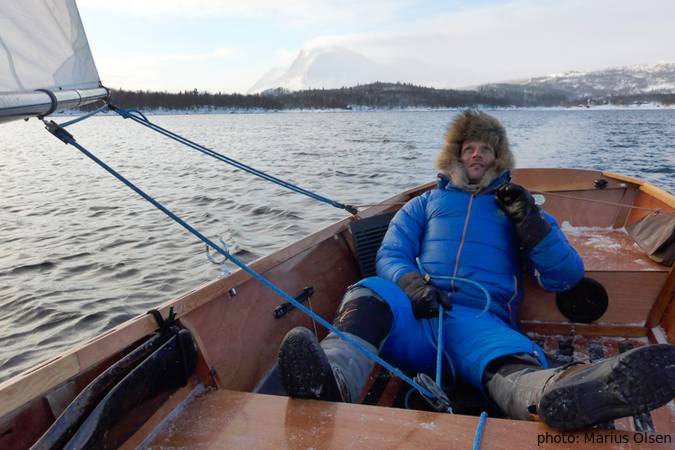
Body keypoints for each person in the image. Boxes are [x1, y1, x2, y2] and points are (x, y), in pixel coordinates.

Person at [276, 110, 675, 431]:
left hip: (480, 321)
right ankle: (332, 378)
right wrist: (411, 283)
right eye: (469, 148)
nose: (477, 155)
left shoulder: (519, 209)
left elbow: (566, 276)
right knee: (370, 292)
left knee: (507, 364)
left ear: (497, 157)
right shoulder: (424, 203)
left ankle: (567, 393)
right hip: (418, 312)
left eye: (486, 148)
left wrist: (532, 225)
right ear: (456, 155)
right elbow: (391, 253)